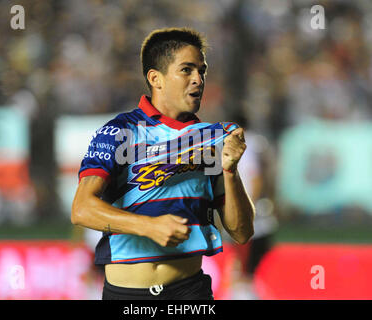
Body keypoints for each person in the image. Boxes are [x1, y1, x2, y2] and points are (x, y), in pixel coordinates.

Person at [71, 27, 255, 300]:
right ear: (156, 78)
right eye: (187, 70)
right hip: (127, 296)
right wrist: (149, 226)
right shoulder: (120, 131)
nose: (198, 79)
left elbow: (242, 232)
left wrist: (230, 170)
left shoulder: (211, 140)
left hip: (190, 293)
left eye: (202, 71)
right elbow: (81, 209)